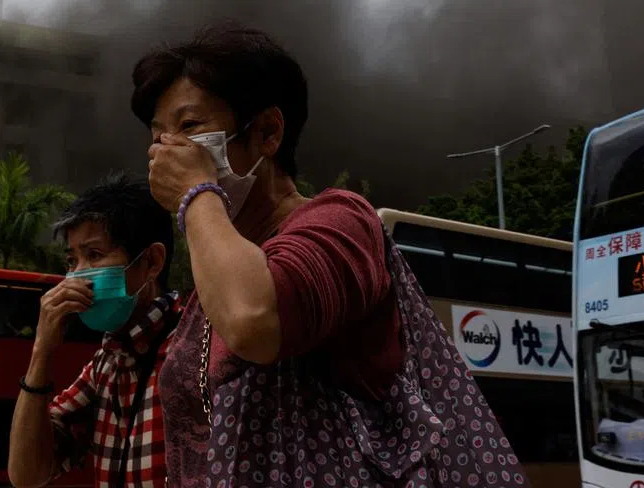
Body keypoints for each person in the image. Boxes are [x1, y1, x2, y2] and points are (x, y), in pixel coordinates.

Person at [136, 24, 526, 487]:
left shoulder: (342, 222)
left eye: (189, 127)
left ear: (267, 132)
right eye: (158, 135)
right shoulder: (219, 262)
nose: (165, 152)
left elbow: (254, 321)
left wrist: (197, 194)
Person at [7, 173, 181, 488]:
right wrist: (41, 351)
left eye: (95, 255)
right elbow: (27, 474)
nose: (78, 276)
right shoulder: (105, 364)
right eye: (72, 261)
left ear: (152, 262)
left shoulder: (196, 346)